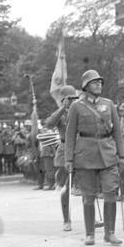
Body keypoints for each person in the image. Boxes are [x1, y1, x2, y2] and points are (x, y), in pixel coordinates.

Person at [64, 69, 124, 246]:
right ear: (85, 87)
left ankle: (110, 233)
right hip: (85, 155)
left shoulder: (109, 104)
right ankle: (90, 233)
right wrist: (68, 159)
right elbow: (70, 134)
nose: (99, 84)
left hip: (108, 153)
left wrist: (122, 156)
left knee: (110, 193)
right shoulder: (77, 107)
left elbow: (117, 132)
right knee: (88, 195)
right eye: (94, 82)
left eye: (100, 82)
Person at [44, 85, 78, 231]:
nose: (73, 101)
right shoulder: (61, 114)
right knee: (65, 188)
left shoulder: (80, 110)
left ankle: (91, 217)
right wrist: (62, 108)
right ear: (64, 99)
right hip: (65, 150)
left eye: (74, 98)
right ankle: (66, 219)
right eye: (70, 99)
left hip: (81, 149)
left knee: (88, 185)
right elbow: (49, 123)